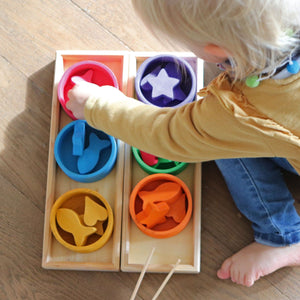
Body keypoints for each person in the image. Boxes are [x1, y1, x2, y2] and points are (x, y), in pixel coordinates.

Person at [66, 0, 300, 287]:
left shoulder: (240, 113)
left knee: (220, 138)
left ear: (217, 50)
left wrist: (95, 105)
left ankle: (280, 237)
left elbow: (168, 135)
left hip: (286, 135)